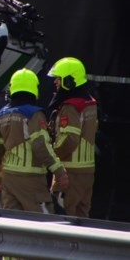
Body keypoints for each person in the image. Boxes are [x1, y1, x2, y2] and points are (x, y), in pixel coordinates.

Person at [0, 68, 69, 213]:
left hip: (9, 180)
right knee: (43, 224)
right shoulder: (34, 115)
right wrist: (59, 171)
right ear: (34, 89)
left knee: (9, 223)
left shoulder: (1, 115)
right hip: (31, 180)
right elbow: (40, 146)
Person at [47, 57, 98, 217]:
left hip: (70, 171)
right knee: (82, 217)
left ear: (69, 81)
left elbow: (70, 139)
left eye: (59, 78)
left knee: (62, 216)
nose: (55, 82)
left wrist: (53, 155)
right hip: (87, 171)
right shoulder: (90, 103)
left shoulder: (71, 107)